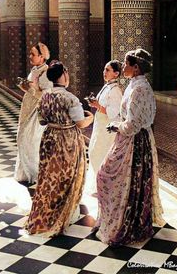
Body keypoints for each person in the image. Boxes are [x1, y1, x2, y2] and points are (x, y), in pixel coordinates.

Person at [94, 48, 164, 246]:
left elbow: (133, 124)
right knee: (112, 178)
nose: (123, 67)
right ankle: (116, 220)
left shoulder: (140, 89)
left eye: (126, 64)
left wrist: (116, 125)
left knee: (111, 177)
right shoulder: (134, 84)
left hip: (135, 142)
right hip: (131, 139)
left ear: (136, 67)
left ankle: (127, 224)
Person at [25, 61, 93, 236]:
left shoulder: (45, 96)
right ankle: (65, 212)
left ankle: (48, 210)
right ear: (63, 76)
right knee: (67, 175)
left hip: (49, 139)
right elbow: (80, 123)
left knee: (49, 176)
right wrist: (91, 118)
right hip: (67, 140)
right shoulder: (70, 98)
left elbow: (42, 121)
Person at [14, 42, 52, 184]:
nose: (30, 56)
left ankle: (35, 171)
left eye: (33, 54)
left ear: (42, 57)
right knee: (24, 138)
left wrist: (32, 89)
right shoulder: (35, 69)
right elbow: (31, 90)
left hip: (37, 111)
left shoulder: (46, 72)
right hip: (28, 107)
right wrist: (25, 88)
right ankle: (25, 172)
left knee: (29, 139)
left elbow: (47, 94)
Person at [86, 60, 123, 194]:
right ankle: (100, 183)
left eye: (107, 70)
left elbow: (113, 112)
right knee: (94, 152)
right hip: (100, 125)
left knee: (99, 153)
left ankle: (106, 184)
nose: (104, 72)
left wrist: (97, 106)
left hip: (107, 127)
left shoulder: (116, 90)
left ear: (116, 73)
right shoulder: (107, 86)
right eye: (104, 69)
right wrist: (94, 103)